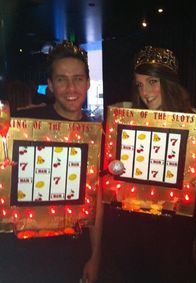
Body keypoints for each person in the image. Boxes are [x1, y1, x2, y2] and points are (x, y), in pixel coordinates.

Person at [104, 46, 196, 283]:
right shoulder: (127, 121)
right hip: (128, 237)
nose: (146, 92)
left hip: (173, 240)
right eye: (140, 84)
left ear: (169, 83)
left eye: (153, 82)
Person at [7, 41, 103, 283]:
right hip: (23, 251)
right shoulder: (25, 125)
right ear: (50, 85)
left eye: (78, 78)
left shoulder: (97, 135)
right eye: (61, 79)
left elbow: (97, 201)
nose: (71, 87)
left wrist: (95, 254)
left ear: (88, 83)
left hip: (72, 250)